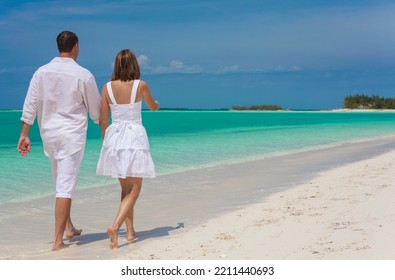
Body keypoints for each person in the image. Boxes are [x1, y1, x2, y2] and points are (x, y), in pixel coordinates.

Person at [17, 31, 101, 251]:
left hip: (49, 136)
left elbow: (30, 104)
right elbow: (96, 111)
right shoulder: (84, 75)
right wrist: (105, 130)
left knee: (60, 180)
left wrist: (24, 134)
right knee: (65, 185)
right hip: (71, 137)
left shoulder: (41, 72)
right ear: (76, 47)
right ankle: (57, 241)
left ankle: (69, 228)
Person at [96, 49, 159, 249]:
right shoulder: (141, 85)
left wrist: (105, 137)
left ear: (116, 65)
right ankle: (115, 226)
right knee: (135, 189)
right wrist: (156, 103)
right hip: (134, 137)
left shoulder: (106, 88)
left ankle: (130, 233)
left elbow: (103, 119)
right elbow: (153, 107)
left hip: (114, 137)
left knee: (125, 189)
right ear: (135, 65)